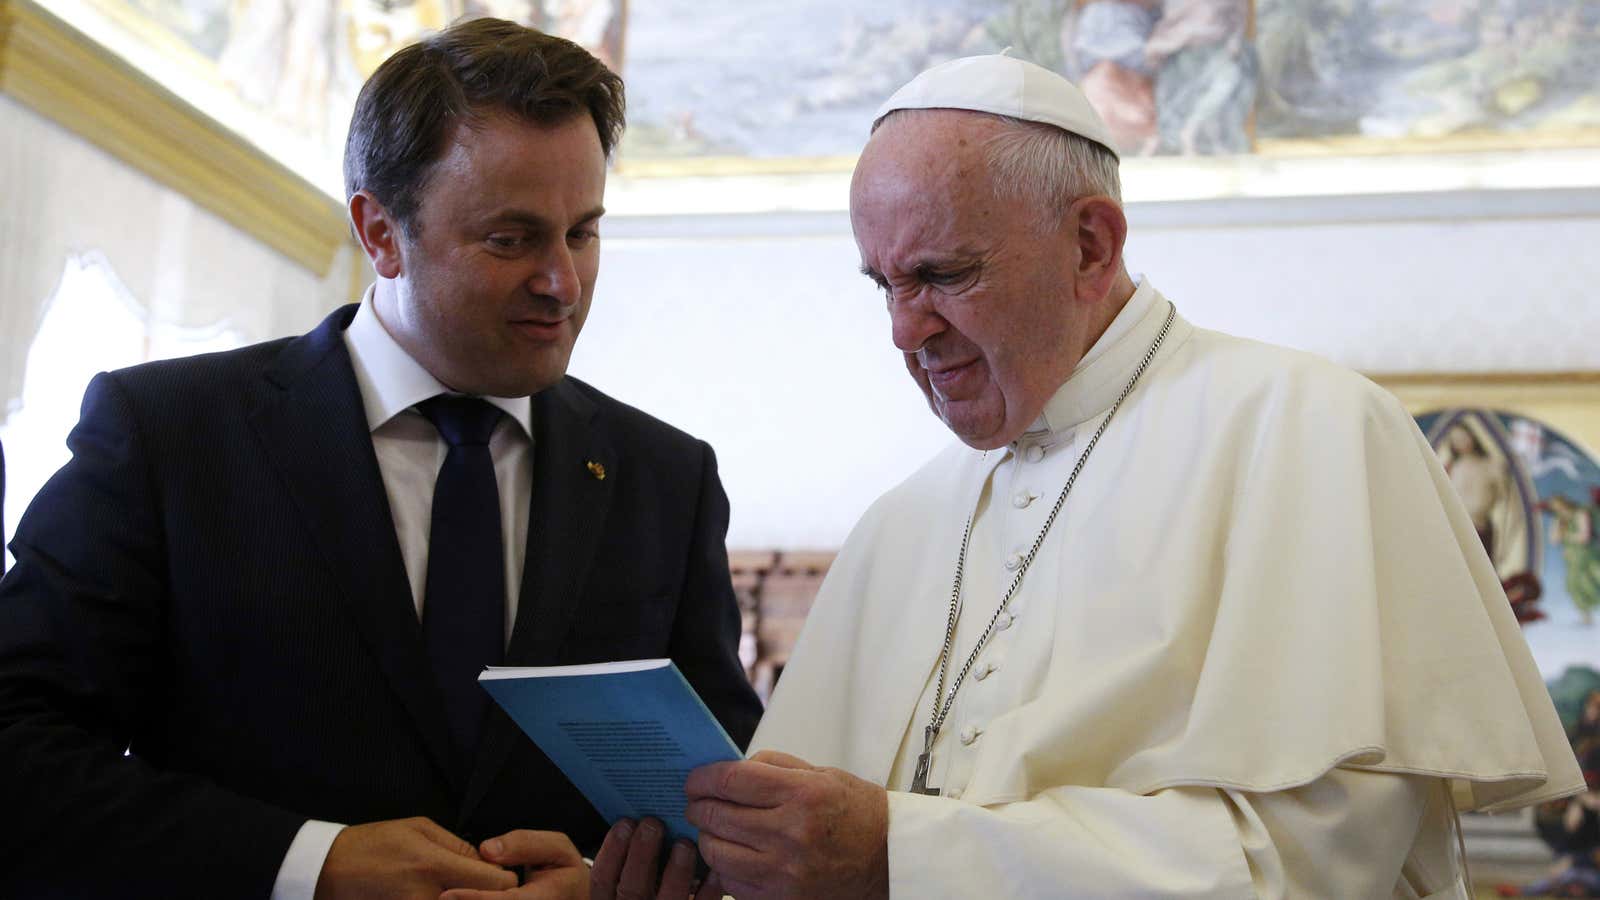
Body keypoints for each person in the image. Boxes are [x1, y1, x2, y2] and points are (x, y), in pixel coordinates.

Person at [672, 54, 1583, 897]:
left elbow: (1310, 866)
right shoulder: (900, 523)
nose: (905, 332)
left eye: (943, 274)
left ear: (1091, 246)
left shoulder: (1311, 431)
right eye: (884, 286)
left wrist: (898, 853)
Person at [0, 18, 760, 899]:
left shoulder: (664, 479)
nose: (562, 282)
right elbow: (18, 745)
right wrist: (309, 863)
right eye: (511, 239)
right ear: (380, 231)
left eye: (582, 233)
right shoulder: (170, 436)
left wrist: (598, 882)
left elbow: (720, 805)